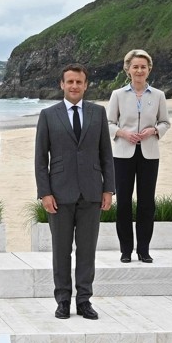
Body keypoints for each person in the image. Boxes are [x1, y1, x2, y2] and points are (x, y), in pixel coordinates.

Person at [34, 64, 115, 320]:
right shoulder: (48, 115)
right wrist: (44, 192)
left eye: (79, 82)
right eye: (70, 82)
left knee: (87, 250)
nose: (74, 86)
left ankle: (84, 300)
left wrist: (108, 189)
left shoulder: (98, 113)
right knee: (61, 250)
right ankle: (63, 300)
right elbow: (40, 159)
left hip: (91, 192)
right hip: (59, 194)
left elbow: (106, 155)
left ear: (86, 84)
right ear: (62, 84)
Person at [106, 49, 170, 263]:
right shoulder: (118, 95)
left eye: (143, 67)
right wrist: (123, 133)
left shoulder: (158, 95)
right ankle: (126, 250)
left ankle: (144, 250)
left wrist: (153, 131)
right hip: (123, 154)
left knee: (146, 203)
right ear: (128, 69)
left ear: (149, 69)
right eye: (135, 67)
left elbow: (165, 122)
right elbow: (108, 123)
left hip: (149, 154)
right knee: (123, 202)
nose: (139, 70)